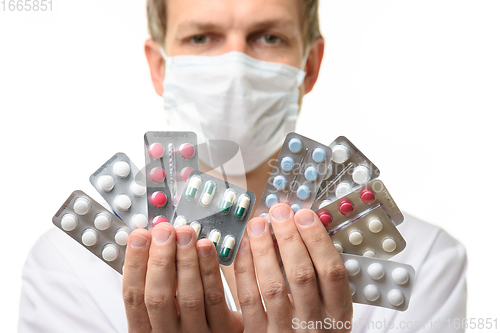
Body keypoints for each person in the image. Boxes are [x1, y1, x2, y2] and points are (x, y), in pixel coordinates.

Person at [18, 0, 467, 332]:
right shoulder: (64, 265)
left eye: (268, 36)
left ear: (308, 66)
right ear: (160, 67)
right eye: (202, 37)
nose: (235, 66)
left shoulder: (426, 260)